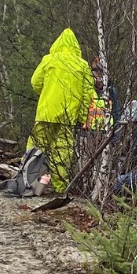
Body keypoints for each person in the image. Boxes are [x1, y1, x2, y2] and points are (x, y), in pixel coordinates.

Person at [29, 28, 95, 191]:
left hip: (46, 112)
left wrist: (46, 93)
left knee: (36, 147)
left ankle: (30, 182)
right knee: (63, 152)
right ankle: (60, 187)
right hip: (68, 117)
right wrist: (82, 117)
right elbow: (88, 94)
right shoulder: (83, 65)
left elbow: (35, 82)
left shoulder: (49, 60)